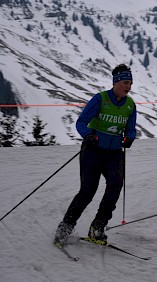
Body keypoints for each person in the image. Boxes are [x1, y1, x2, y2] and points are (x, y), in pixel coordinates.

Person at [54, 64, 137, 245]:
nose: (128, 87)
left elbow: (131, 130)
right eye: (125, 82)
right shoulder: (100, 99)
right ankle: (65, 227)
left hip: (114, 153)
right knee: (88, 191)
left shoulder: (130, 105)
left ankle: (98, 226)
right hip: (93, 151)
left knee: (115, 185)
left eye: (130, 83)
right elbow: (81, 122)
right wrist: (87, 136)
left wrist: (129, 138)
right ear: (116, 82)